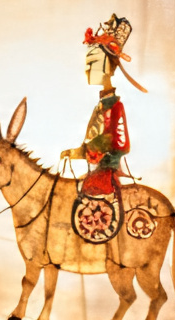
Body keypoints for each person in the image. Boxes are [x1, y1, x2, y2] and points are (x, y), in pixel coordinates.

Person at [61, 13, 146, 198]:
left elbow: (121, 144)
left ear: (108, 67)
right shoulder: (102, 106)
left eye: (93, 63)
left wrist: (94, 150)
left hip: (107, 172)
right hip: (97, 168)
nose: (88, 69)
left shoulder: (114, 107)